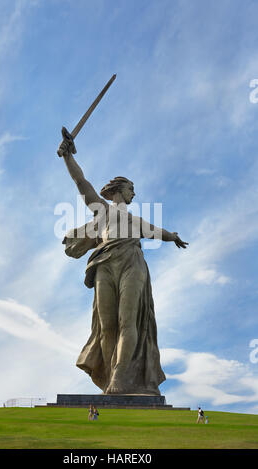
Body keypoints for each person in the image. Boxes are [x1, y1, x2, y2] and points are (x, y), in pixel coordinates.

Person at [58, 140, 188, 395]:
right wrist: (67, 156)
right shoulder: (103, 211)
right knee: (107, 327)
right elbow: (81, 183)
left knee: (128, 321)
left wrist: (173, 236)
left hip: (131, 262)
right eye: (131, 188)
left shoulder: (135, 220)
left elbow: (158, 232)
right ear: (119, 189)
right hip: (104, 262)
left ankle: (120, 377)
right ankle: (109, 377)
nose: (134, 193)